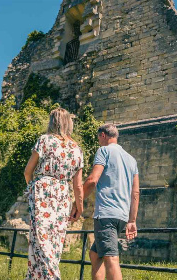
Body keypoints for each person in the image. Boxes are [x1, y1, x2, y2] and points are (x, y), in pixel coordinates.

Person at [72, 124, 140, 280]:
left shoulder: (104, 151)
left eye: (98, 138)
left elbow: (92, 180)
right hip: (121, 217)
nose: (98, 141)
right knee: (95, 254)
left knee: (111, 258)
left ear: (103, 135)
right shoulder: (131, 160)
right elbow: (135, 192)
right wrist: (132, 221)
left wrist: (77, 202)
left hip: (106, 215)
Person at [24, 108, 84, 280]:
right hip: (63, 194)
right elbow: (78, 186)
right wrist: (79, 208)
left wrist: (33, 188)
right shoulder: (76, 149)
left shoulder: (44, 141)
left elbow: (28, 171)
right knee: (54, 242)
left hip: (42, 191)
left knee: (40, 241)